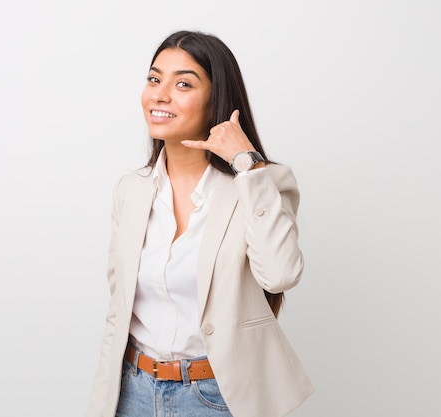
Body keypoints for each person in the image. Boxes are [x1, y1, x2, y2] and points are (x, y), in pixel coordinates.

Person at [85, 30, 314, 417]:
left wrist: (246, 164)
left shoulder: (262, 183)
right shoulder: (132, 190)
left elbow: (279, 275)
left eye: (183, 84)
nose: (160, 94)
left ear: (216, 101)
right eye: (155, 79)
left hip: (217, 396)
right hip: (133, 391)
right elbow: (117, 310)